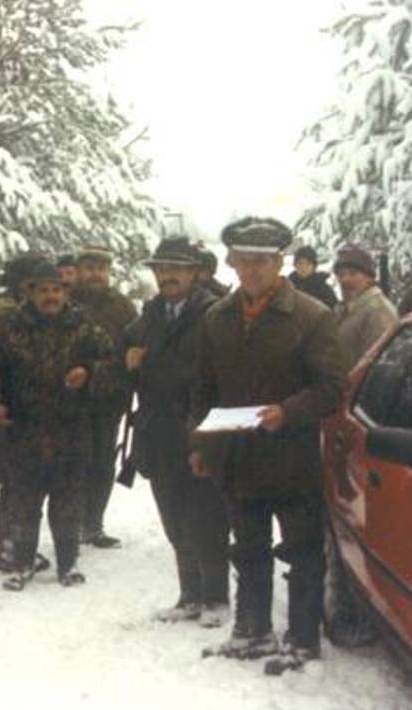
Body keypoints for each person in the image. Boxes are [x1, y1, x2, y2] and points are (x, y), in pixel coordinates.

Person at [190, 217, 348, 672]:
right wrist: (199, 445)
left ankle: (303, 640)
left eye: (262, 261)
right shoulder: (216, 318)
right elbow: (202, 389)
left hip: (292, 457)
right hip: (238, 457)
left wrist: (288, 411)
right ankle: (252, 630)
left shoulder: (312, 317)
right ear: (232, 262)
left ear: (279, 263)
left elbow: (333, 387)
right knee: (248, 548)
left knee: (302, 552)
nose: (252, 270)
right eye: (244, 261)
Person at [123, 238, 229, 627]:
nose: (167, 276)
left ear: (194, 273)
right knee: (174, 518)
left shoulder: (214, 313)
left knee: (207, 517)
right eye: (161, 269)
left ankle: (216, 598)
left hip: (199, 428)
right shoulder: (151, 314)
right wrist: (128, 358)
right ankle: (189, 596)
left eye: (176, 269)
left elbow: (217, 374)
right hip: (158, 433)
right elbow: (123, 348)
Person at [0, 261, 113, 590]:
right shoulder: (10, 328)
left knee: (67, 501)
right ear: (31, 293)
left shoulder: (85, 327)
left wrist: (88, 372)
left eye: (56, 290)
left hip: (70, 427)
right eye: (43, 290)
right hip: (24, 428)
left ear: (66, 292)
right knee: (24, 501)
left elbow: (110, 364)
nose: (50, 296)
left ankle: (68, 563)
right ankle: (22, 564)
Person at [0, 253, 48, 573]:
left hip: (19, 408)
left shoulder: (14, 308)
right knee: (14, 483)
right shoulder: (5, 312)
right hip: (9, 410)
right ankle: (10, 549)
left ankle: (16, 546)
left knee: (20, 483)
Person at [70, 244, 138, 548]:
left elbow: (135, 345)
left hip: (109, 398)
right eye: (89, 268)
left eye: (101, 269)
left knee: (102, 462)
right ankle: (69, 525)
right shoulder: (64, 301)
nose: (95, 274)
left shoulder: (122, 306)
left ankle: (93, 524)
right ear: (78, 270)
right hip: (69, 399)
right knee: (72, 463)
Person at [331, 244, 398, 367]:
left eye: (353, 274)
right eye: (341, 275)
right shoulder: (344, 309)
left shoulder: (379, 311)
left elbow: (377, 362)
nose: (345, 279)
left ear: (369, 278)